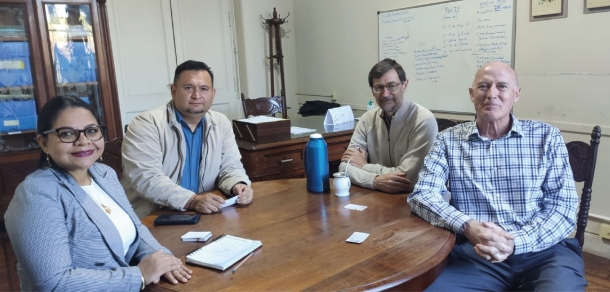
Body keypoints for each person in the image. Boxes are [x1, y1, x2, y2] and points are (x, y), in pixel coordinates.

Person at [408, 62, 587, 291]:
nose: (492, 94)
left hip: (545, 252)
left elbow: (563, 207)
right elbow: (422, 194)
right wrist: (467, 226)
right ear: (472, 94)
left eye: (502, 86)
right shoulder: (448, 140)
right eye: (483, 86)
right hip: (474, 255)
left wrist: (515, 243)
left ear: (516, 94)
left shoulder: (547, 137)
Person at [4, 96, 192, 291]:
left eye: (92, 131)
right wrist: (140, 275)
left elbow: (136, 227)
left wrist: (162, 258)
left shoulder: (104, 174)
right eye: (67, 134)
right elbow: (54, 283)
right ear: (44, 143)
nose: (84, 141)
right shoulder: (37, 194)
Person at [122, 60, 253, 218]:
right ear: (174, 91)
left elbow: (230, 166)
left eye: (204, 89)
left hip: (203, 212)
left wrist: (238, 184)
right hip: (153, 216)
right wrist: (192, 201)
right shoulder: (146, 124)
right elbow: (146, 177)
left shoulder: (221, 122)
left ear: (213, 93)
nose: (197, 95)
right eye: (189, 88)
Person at [339, 58, 437, 193]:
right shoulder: (367, 119)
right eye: (378, 87)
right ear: (373, 91)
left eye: (392, 86)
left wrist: (364, 166)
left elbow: (407, 178)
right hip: (376, 195)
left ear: (405, 85)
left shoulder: (423, 120)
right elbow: (345, 166)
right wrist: (375, 181)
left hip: (413, 199)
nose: (385, 94)